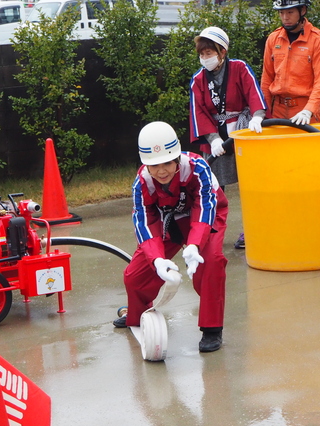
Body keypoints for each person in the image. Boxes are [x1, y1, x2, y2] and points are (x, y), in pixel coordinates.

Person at [114, 121, 229, 353]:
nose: (162, 171)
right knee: (135, 276)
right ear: (145, 164)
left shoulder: (199, 168)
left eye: (167, 162)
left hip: (205, 219)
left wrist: (195, 245)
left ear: (177, 158)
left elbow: (205, 207)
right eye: (154, 165)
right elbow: (145, 224)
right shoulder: (142, 183)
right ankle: (136, 316)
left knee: (211, 262)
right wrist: (156, 259)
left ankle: (211, 328)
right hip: (168, 221)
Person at [189, 26, 268, 250]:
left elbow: (254, 93)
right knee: (212, 188)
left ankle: (253, 230)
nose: (205, 58)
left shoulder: (240, 68)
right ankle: (210, 231)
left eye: (209, 53)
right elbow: (199, 112)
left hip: (243, 132)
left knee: (251, 185)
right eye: (202, 54)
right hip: (215, 137)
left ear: (222, 51)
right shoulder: (197, 80)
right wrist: (213, 139)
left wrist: (258, 116)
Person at [261, 0, 320, 126]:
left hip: (306, 110)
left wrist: (309, 110)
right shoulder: (273, 39)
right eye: (281, 12)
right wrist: (263, 111)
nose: (285, 17)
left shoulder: (318, 41)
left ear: (303, 10)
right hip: (278, 110)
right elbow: (267, 78)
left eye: (290, 12)